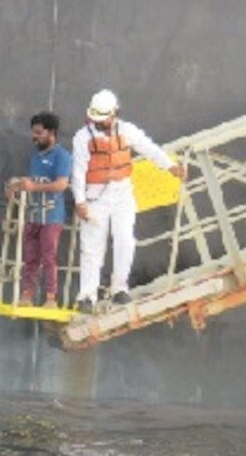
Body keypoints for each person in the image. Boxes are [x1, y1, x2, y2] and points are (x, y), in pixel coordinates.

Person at [71, 89, 185, 313]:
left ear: (115, 114)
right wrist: (80, 201)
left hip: (122, 195)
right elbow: (78, 170)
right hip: (95, 197)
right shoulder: (82, 138)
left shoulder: (127, 131)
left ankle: (119, 289)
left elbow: (149, 148)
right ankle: (87, 296)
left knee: (125, 241)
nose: (99, 123)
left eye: (103, 119)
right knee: (92, 247)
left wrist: (169, 165)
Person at [6, 111, 72, 308]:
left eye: (38, 132)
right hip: (34, 214)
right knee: (31, 256)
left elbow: (61, 185)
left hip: (52, 216)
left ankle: (51, 298)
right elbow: (32, 182)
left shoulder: (62, 157)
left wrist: (34, 187)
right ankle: (27, 295)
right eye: (33, 132)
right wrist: (17, 186)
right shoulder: (35, 157)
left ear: (51, 133)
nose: (34, 136)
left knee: (48, 257)